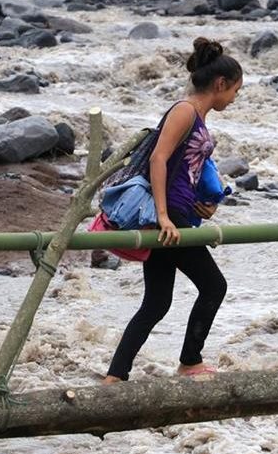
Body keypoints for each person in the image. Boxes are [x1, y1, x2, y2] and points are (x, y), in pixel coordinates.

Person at [103, 38, 243, 383]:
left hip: (181, 212)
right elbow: (158, 158)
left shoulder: (198, 116)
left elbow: (186, 168)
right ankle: (190, 361)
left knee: (156, 302)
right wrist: (164, 215)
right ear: (220, 84)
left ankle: (115, 376)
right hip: (170, 218)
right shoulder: (184, 110)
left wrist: (203, 204)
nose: (236, 98)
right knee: (214, 286)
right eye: (236, 90)